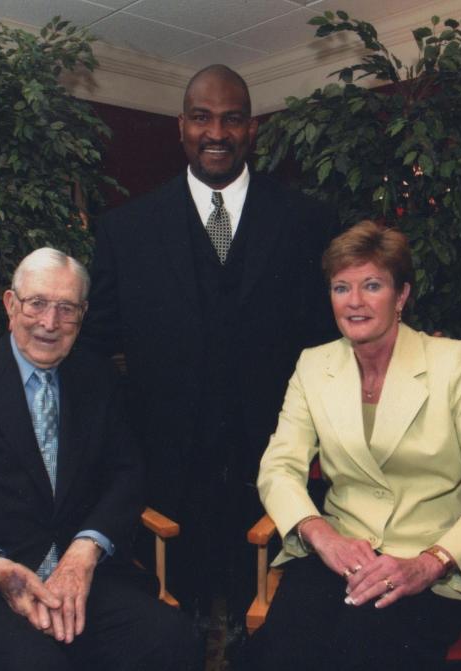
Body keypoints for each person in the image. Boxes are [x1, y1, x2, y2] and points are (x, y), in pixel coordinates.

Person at [80, 64, 338, 623]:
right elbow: (94, 347)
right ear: (181, 127)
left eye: (232, 118)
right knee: (173, 621)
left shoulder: (306, 221)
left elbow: (335, 334)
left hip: (271, 463)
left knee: (269, 619)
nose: (215, 132)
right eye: (201, 117)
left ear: (252, 130)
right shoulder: (126, 230)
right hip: (166, 468)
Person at [0, 248, 197, 671]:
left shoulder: (98, 378)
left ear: (82, 315)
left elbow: (126, 475)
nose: (50, 324)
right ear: (11, 305)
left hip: (82, 578)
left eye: (66, 309)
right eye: (37, 304)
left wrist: (86, 551)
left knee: (172, 639)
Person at [251, 221, 461, 670]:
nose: (355, 301)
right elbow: (279, 466)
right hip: (341, 554)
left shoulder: (452, 365)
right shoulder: (313, 365)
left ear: (401, 296)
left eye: (372, 285)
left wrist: (430, 562)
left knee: (358, 650)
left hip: (433, 568)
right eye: (341, 287)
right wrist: (321, 535)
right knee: (282, 650)